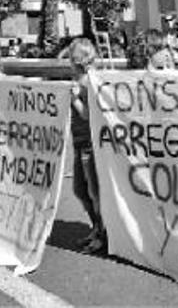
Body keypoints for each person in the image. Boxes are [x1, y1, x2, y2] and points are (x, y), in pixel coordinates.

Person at [68, 38, 107, 254]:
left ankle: (102, 234)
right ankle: (96, 228)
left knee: (93, 192)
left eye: (70, 57)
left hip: (89, 145)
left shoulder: (87, 82)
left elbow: (87, 114)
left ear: (78, 59)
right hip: (79, 142)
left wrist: (74, 99)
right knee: (80, 190)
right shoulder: (80, 80)